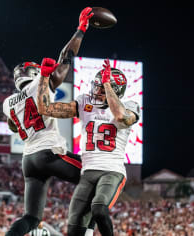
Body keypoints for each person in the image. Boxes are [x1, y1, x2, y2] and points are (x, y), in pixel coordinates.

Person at [2, 7, 94, 236]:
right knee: (99, 177)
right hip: (48, 152)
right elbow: (66, 59)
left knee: (31, 218)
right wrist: (80, 30)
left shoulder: (8, 102)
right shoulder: (39, 84)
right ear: (33, 73)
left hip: (29, 160)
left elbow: (12, 125)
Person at [37, 58, 140, 236]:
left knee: (99, 209)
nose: (96, 90)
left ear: (114, 90)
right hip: (88, 172)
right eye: (97, 85)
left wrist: (107, 85)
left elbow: (121, 117)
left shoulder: (130, 106)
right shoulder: (85, 103)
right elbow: (45, 109)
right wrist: (44, 79)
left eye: (102, 87)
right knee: (75, 229)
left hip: (112, 171)